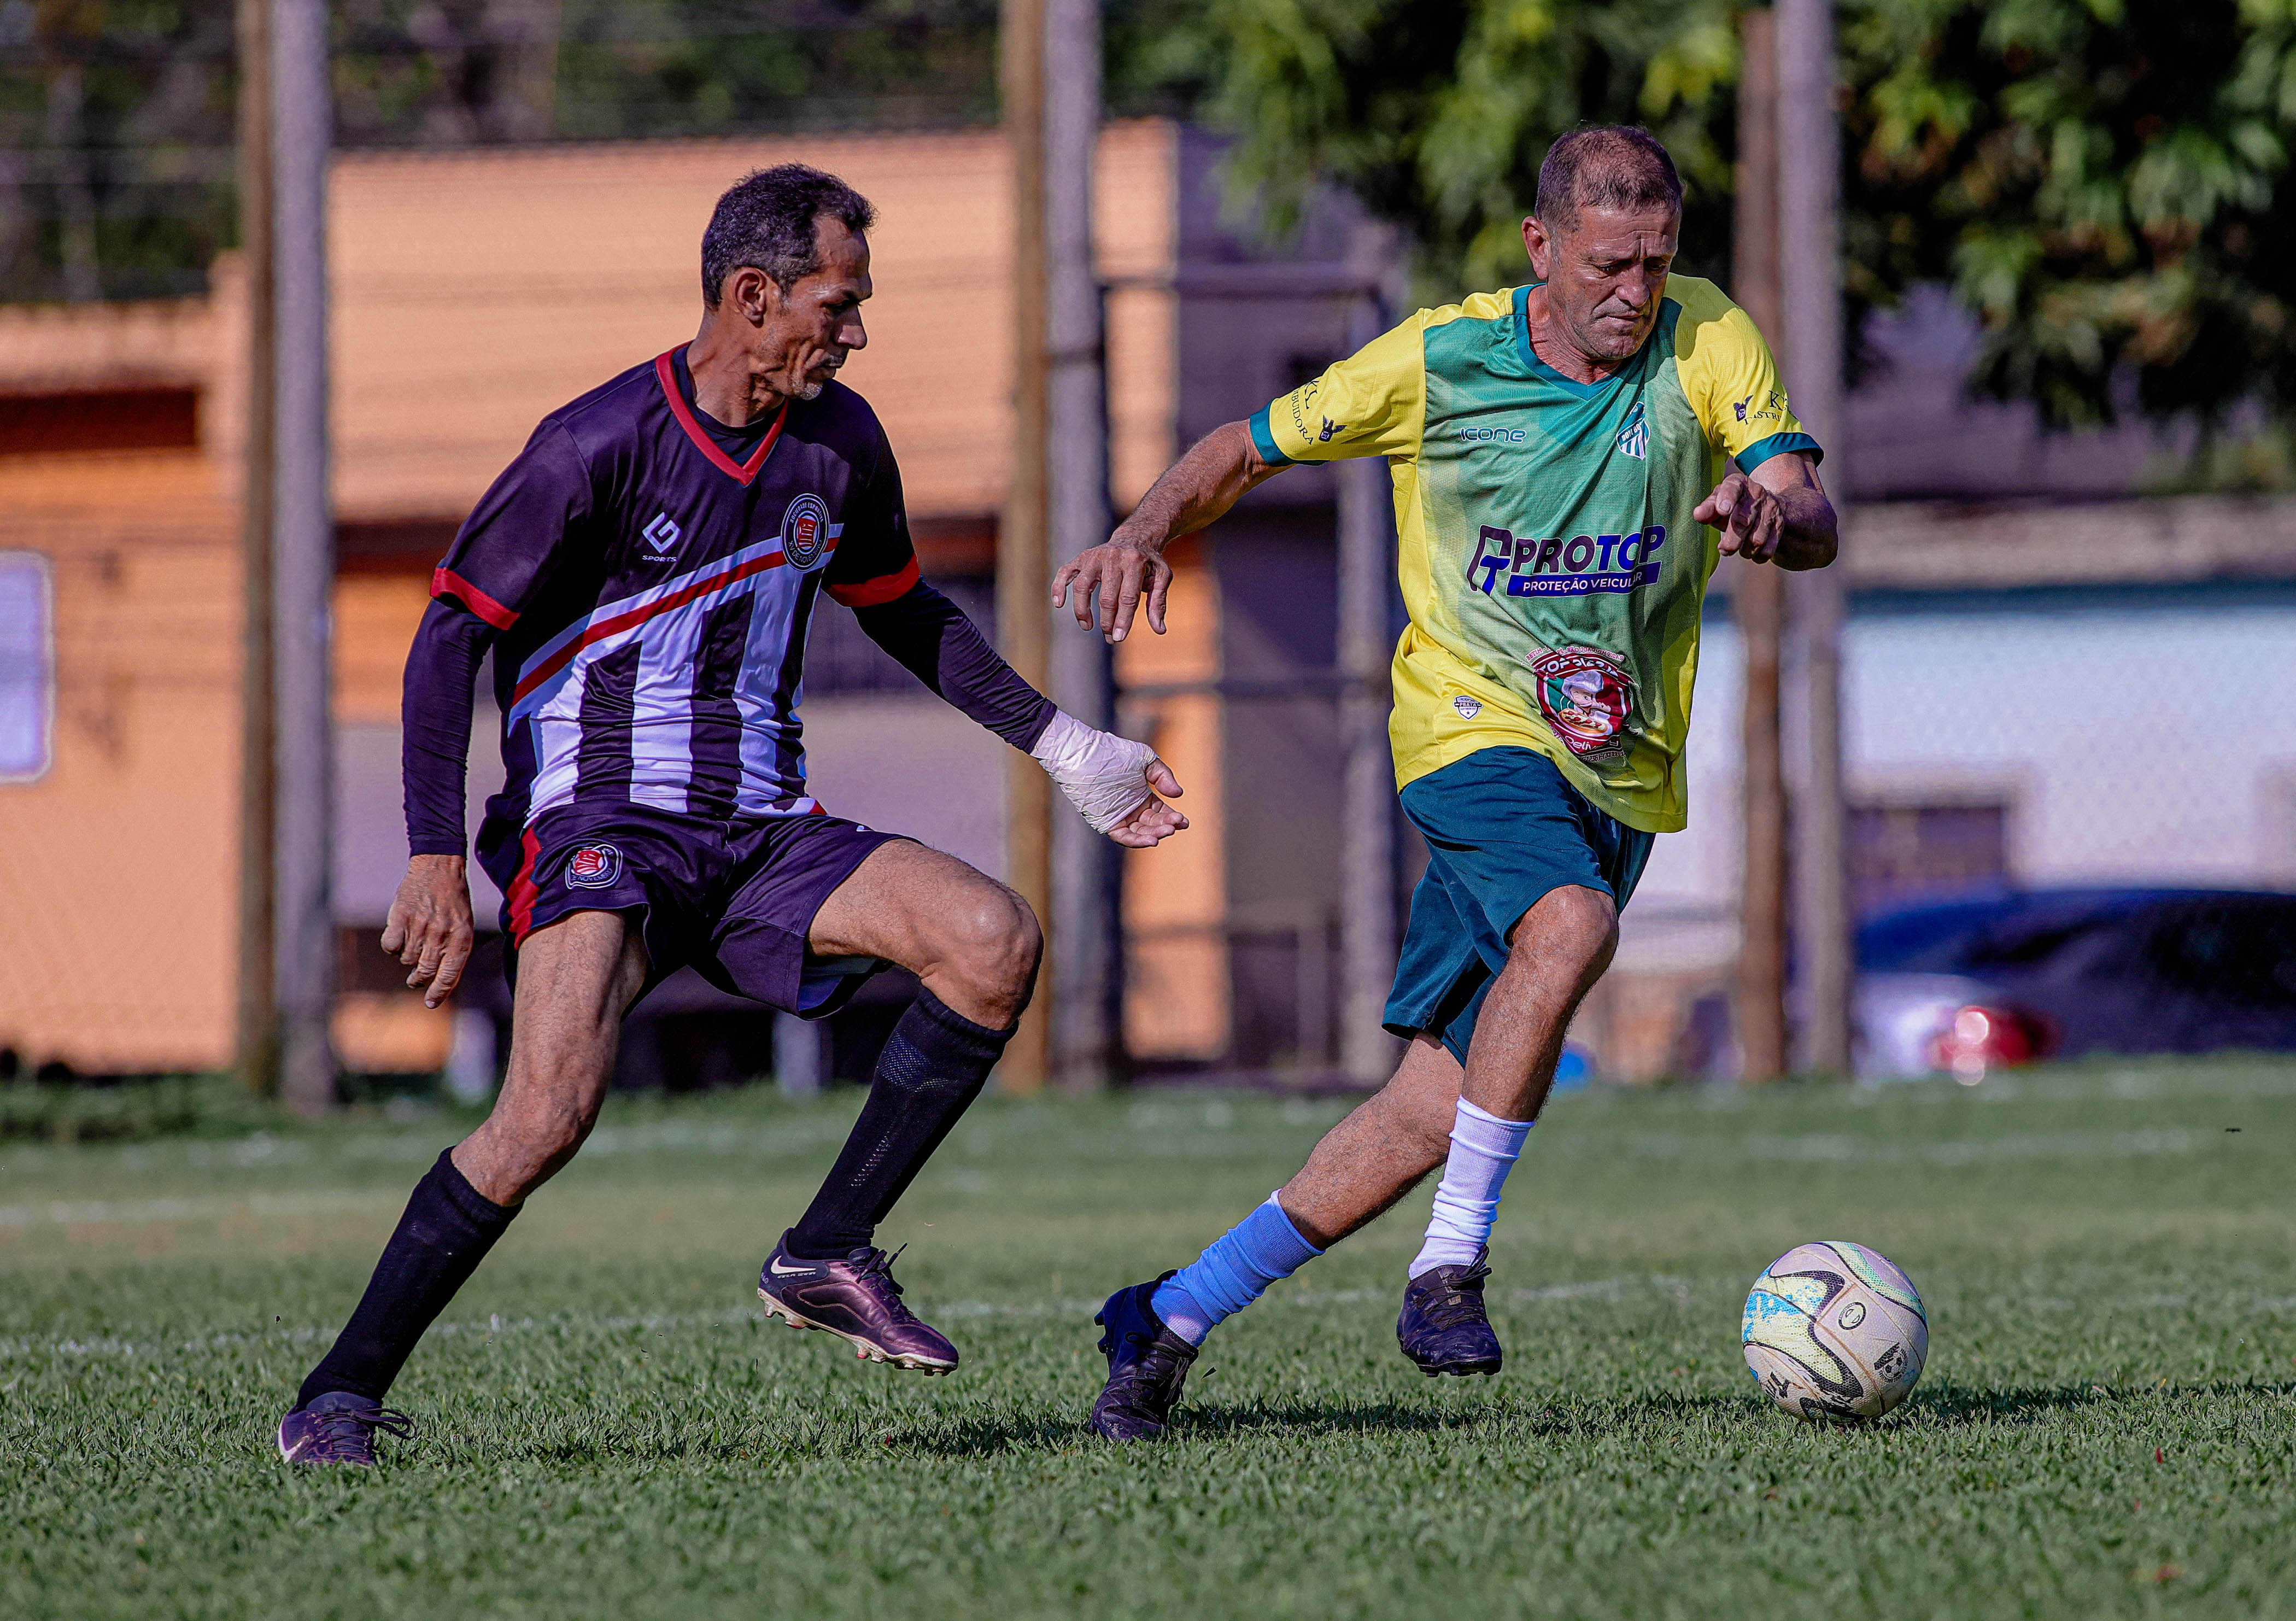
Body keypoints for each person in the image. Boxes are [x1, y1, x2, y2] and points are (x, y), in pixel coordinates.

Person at [277, 163, 1187, 1466]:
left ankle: (824, 1251)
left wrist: (1066, 745)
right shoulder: (591, 446)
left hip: (765, 829)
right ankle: (339, 1395)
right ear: (752, 298)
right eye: (839, 302)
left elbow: (905, 609)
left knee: (993, 939)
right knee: (546, 1112)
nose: (857, 330)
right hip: (598, 819)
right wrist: (433, 855)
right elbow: (446, 639)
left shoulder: (843, 444)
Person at [1055, 126, 1839, 1441]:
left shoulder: (1709, 338)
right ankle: (1448, 1269)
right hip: (1467, 728)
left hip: (1617, 766)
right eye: (1607, 264)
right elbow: (1245, 446)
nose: (1634, 292)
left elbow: (1805, 505)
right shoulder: (1438, 359)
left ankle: (1170, 1314)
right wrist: (1141, 532)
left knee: (1433, 1105)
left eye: (1654, 262)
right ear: (1541, 248)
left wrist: (1776, 516)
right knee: (1572, 926)